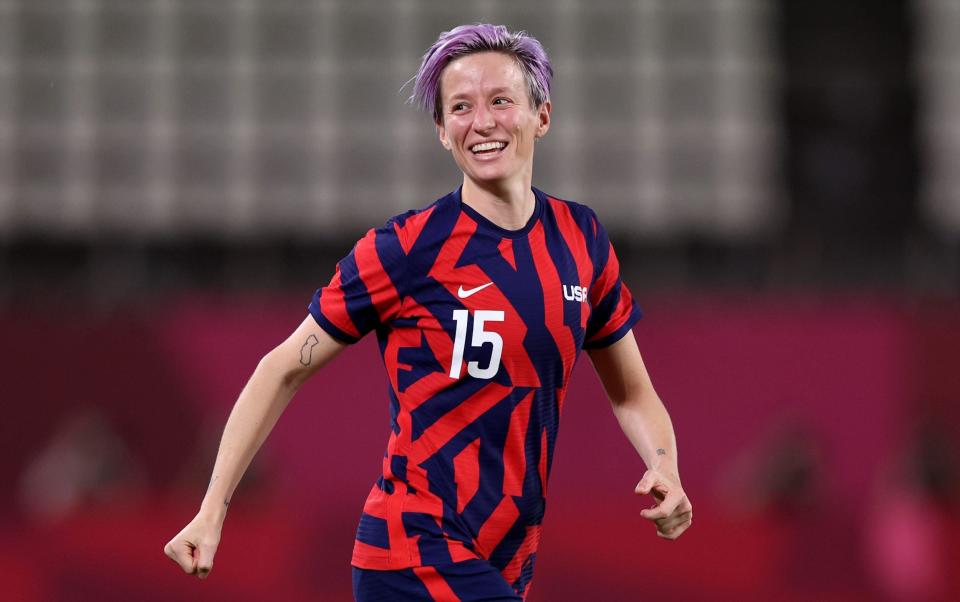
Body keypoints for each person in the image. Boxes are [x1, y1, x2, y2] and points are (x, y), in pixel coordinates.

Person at [164, 23, 692, 601]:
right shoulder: (407, 249)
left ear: (541, 115)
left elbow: (631, 393)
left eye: (500, 101)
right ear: (442, 132)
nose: (482, 122)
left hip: (509, 554)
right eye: (460, 108)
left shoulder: (581, 238)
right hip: (412, 545)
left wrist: (664, 466)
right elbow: (283, 366)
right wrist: (211, 509)